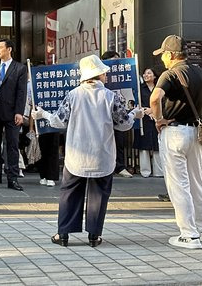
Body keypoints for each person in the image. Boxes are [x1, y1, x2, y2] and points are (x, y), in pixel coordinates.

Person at [32, 55, 142, 247]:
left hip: (77, 154)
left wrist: (42, 114)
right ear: (98, 74)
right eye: (104, 72)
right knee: (99, 194)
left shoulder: (73, 95)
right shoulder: (111, 96)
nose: (107, 76)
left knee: (69, 193)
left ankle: (63, 234)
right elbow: (124, 125)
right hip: (102, 154)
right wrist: (135, 113)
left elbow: (59, 121)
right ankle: (94, 235)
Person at [150, 35, 202, 249]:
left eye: (163, 54)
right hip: (197, 133)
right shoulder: (199, 71)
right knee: (197, 183)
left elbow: (155, 98)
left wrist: (158, 119)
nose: (162, 58)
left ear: (171, 55)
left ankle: (189, 234)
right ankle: (200, 228)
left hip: (175, 133)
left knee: (178, 185)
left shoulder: (170, 74)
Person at [0, 39, 27, 191]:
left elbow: (21, 92)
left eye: (1, 47)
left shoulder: (19, 68)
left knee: (12, 145)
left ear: (9, 49)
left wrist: (19, 112)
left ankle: (12, 177)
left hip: (11, 111)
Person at [101, 50, 134, 178]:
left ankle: (119, 166)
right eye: (113, 60)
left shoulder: (122, 73)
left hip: (117, 113)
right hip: (103, 114)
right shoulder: (100, 75)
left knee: (119, 141)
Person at [133, 67, 163, 178]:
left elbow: (163, 102)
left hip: (157, 118)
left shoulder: (159, 88)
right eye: (145, 73)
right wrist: (147, 111)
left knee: (157, 144)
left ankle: (159, 171)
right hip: (143, 118)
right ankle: (145, 171)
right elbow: (136, 103)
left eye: (149, 73)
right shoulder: (140, 88)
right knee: (143, 145)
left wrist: (154, 111)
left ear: (154, 76)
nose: (146, 75)